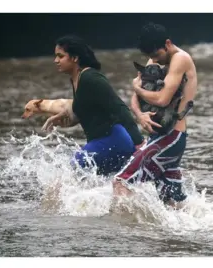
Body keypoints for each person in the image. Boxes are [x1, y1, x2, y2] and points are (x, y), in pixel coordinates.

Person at [112, 22, 198, 209]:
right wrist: (140, 115)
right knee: (172, 205)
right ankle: (170, 238)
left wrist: (136, 87)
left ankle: (126, 237)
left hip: (171, 137)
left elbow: (162, 99)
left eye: (157, 55)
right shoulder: (154, 60)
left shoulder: (181, 58)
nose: (155, 61)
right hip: (160, 137)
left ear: (167, 43)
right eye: (150, 57)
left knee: (120, 182)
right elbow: (135, 97)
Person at [41, 35, 145, 176]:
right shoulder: (76, 79)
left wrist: (138, 143)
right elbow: (88, 110)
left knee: (70, 173)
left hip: (115, 140)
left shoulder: (91, 78)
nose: (56, 60)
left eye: (60, 56)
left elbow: (119, 109)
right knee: (100, 187)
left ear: (75, 58)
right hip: (102, 142)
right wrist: (62, 117)